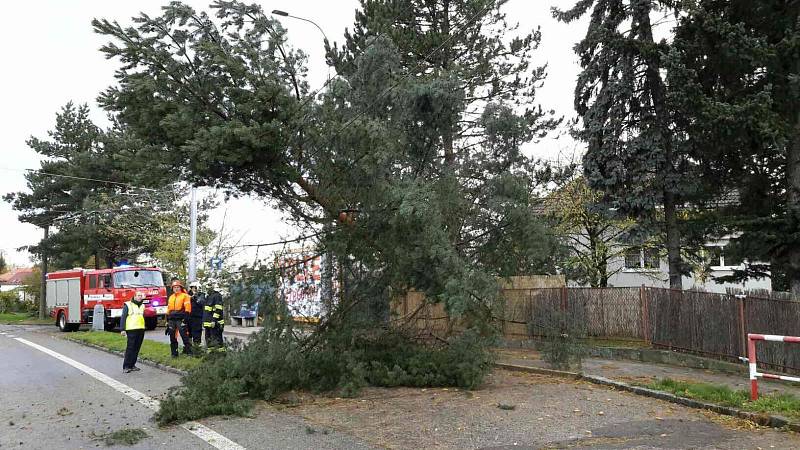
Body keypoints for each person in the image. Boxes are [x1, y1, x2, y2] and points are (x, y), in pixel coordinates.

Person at [120, 291, 146, 373]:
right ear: (134, 296)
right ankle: (126, 366)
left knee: (137, 348)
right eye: (138, 295)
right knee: (130, 348)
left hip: (140, 329)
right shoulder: (128, 305)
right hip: (131, 329)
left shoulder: (142, 305)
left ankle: (132, 365)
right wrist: (122, 329)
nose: (140, 297)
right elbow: (123, 317)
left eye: (141, 296)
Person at [166, 280, 193, 357]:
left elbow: (188, 309)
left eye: (178, 287)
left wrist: (185, 320)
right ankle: (174, 354)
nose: (176, 289)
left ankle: (189, 353)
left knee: (184, 336)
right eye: (175, 287)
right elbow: (168, 309)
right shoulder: (171, 297)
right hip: (172, 319)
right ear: (172, 289)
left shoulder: (185, 296)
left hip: (181, 318)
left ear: (180, 288)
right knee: (172, 336)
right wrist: (167, 321)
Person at [203, 281, 225, 351]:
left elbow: (218, 309)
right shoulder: (208, 296)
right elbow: (206, 311)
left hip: (215, 323)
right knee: (209, 341)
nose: (207, 288)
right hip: (208, 324)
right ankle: (211, 356)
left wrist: (213, 320)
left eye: (209, 286)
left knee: (217, 341)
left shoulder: (217, 296)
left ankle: (220, 356)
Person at [187, 282, 205, 347]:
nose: (194, 289)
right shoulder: (187, 295)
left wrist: (195, 297)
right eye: (193, 288)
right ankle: (188, 348)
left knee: (197, 333)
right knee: (188, 333)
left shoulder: (201, 295)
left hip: (197, 318)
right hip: (188, 317)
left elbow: (201, 303)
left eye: (195, 288)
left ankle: (197, 349)